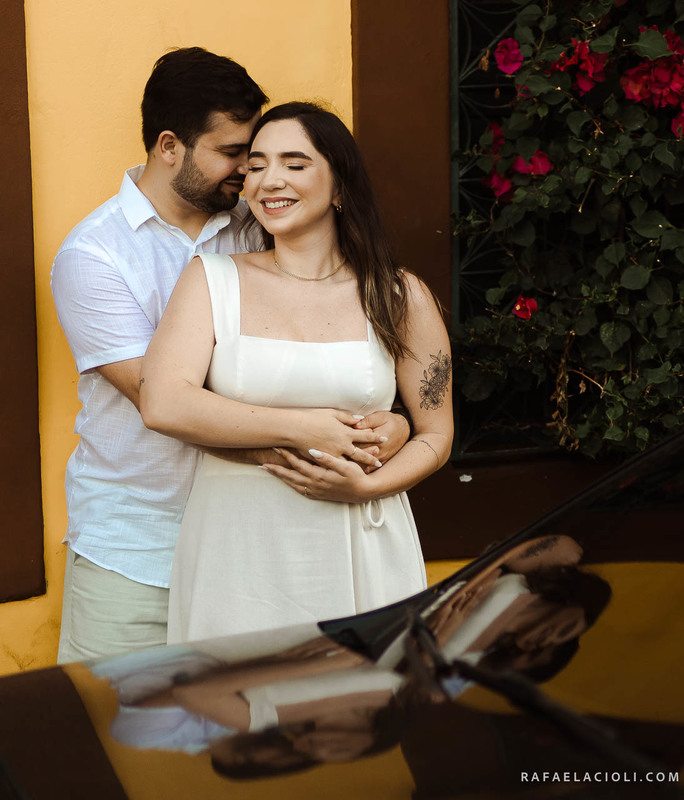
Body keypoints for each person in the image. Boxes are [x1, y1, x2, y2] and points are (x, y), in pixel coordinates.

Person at [51, 49, 406, 664]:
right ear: (170, 146)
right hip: (140, 547)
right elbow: (170, 404)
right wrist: (334, 439)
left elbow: (326, 340)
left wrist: (391, 424)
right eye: (235, 152)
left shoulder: (261, 221)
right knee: (121, 716)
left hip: (254, 546)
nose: (251, 172)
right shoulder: (95, 257)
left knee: (251, 717)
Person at [140, 101, 454, 643]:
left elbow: (437, 432)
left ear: (340, 186)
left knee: (361, 692)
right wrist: (305, 428)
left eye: (295, 163)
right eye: (256, 165)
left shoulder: (401, 295)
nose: (269, 181)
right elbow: (163, 401)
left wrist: (366, 487)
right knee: (242, 690)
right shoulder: (212, 279)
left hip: (361, 537)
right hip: (239, 545)